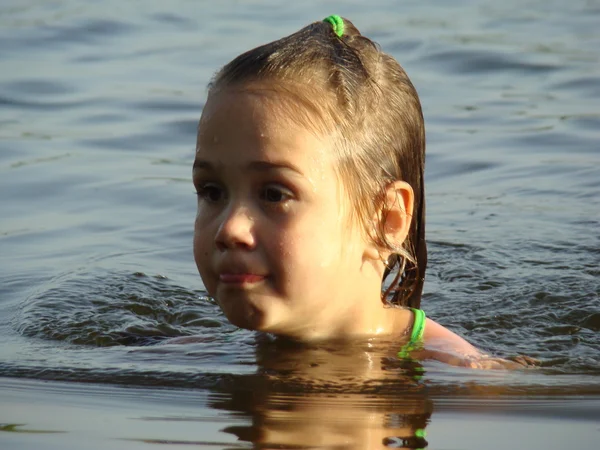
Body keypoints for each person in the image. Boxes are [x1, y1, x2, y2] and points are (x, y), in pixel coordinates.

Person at [191, 15, 532, 369]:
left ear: (385, 219)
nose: (229, 230)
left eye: (274, 194)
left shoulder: (459, 373)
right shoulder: (202, 352)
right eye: (212, 192)